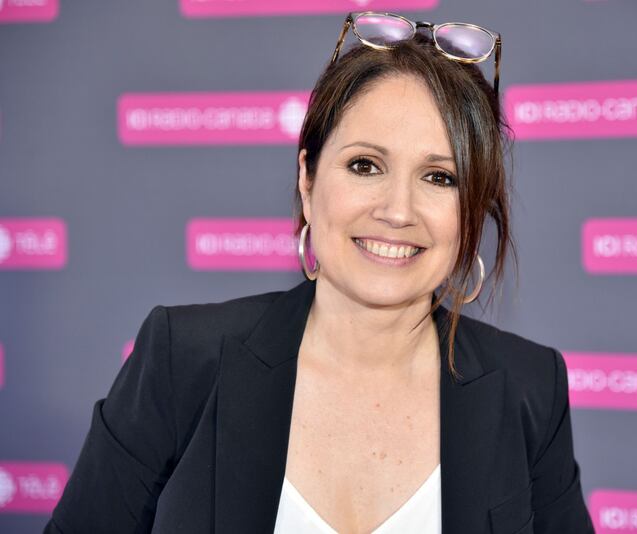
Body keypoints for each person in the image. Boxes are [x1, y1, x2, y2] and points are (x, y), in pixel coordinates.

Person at [44, 11, 595, 534]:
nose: (397, 211)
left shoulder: (530, 389)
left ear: (472, 209)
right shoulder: (183, 358)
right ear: (307, 181)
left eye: (439, 177)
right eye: (365, 165)